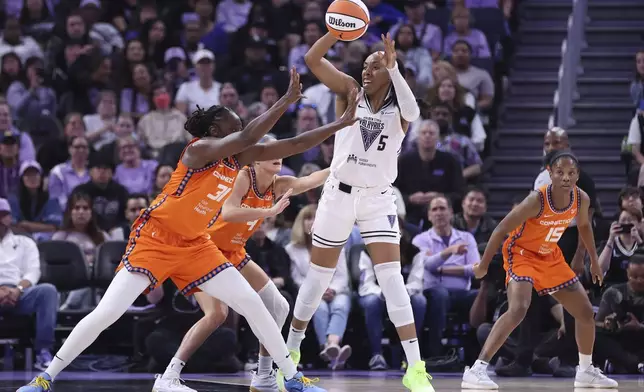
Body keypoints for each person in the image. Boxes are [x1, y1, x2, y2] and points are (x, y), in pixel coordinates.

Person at [18, 68, 347, 392]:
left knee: (253, 302)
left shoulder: (239, 158)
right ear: (217, 128)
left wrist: (340, 124)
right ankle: (45, 378)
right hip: (155, 238)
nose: (243, 128)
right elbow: (248, 135)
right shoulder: (198, 149)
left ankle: (291, 378)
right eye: (236, 123)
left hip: (195, 244)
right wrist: (286, 100)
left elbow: (295, 144)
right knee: (108, 312)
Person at [282, 32, 434, 392]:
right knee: (318, 278)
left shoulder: (401, 109)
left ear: (391, 70)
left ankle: (415, 368)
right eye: (365, 65)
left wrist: (395, 68)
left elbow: (413, 111)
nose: (367, 71)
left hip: (378, 198)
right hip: (338, 194)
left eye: (375, 66)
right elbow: (312, 60)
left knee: (392, 278)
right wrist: (335, 33)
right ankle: (289, 355)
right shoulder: (350, 91)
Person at [152, 142, 339, 392]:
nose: (278, 157)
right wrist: (270, 210)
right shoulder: (243, 177)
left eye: (280, 153)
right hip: (203, 251)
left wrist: (341, 164)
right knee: (217, 315)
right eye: (270, 153)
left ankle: (263, 375)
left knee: (279, 306)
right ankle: (168, 376)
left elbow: (310, 180)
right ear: (256, 160)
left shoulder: (279, 184)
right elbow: (229, 212)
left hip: (234, 252)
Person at [461, 151, 618, 390]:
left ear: (577, 175)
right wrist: (483, 264)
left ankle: (585, 371)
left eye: (571, 173)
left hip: (549, 255)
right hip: (521, 253)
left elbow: (585, 228)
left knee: (585, 312)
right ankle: (476, 370)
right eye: (560, 172)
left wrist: (593, 262)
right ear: (550, 173)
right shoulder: (536, 200)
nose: (566, 177)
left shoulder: (582, 198)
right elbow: (502, 229)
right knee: (519, 308)